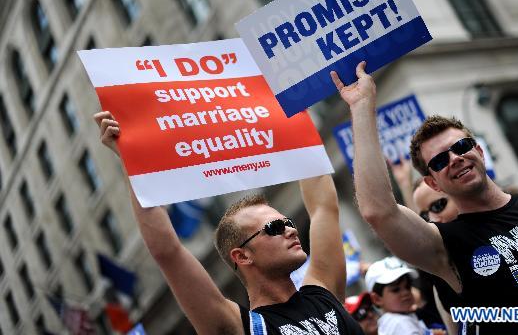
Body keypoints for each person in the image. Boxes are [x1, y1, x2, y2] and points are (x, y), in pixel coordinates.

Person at [331, 62, 518, 334]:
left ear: (479, 151)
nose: (455, 158)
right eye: (439, 160)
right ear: (432, 182)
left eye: (461, 146)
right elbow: (379, 211)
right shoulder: (444, 246)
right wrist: (362, 107)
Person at [94, 111, 365, 335]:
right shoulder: (238, 327)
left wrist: (295, 112)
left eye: (288, 222)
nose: (292, 230)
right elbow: (168, 252)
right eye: (274, 228)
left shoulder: (324, 292)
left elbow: (322, 209)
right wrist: (130, 158)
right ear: (243, 256)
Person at [365, 256, 429, 335]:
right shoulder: (399, 324)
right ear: (377, 299)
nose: (406, 292)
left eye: (407, 286)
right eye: (396, 290)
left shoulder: (397, 320)